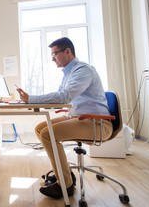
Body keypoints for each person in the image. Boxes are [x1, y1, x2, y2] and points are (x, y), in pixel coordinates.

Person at [16, 37, 113, 199]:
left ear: (67, 52)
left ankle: (65, 184)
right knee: (40, 129)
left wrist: (31, 99)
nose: (52, 58)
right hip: (80, 118)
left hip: (97, 123)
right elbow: (62, 96)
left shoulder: (83, 70)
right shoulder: (68, 73)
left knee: (48, 134)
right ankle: (65, 173)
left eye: (54, 54)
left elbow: (64, 97)